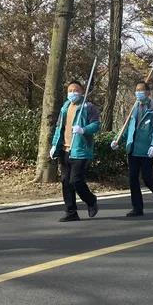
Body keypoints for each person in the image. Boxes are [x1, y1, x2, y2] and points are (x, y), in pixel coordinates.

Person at [111, 81, 153, 216]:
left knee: (147, 178)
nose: (138, 92)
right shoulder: (133, 109)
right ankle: (137, 208)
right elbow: (126, 128)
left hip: (147, 150)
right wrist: (117, 140)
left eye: (141, 90)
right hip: (132, 149)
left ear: (148, 93)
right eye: (137, 90)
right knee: (133, 179)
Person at [50, 80, 101, 221]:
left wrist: (83, 130)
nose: (73, 93)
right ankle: (71, 212)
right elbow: (59, 128)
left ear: (82, 91)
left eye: (76, 90)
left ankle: (91, 200)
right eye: (70, 91)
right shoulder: (65, 107)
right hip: (65, 149)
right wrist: (54, 145)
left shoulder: (88, 107)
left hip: (80, 150)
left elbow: (96, 125)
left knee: (75, 181)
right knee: (66, 181)